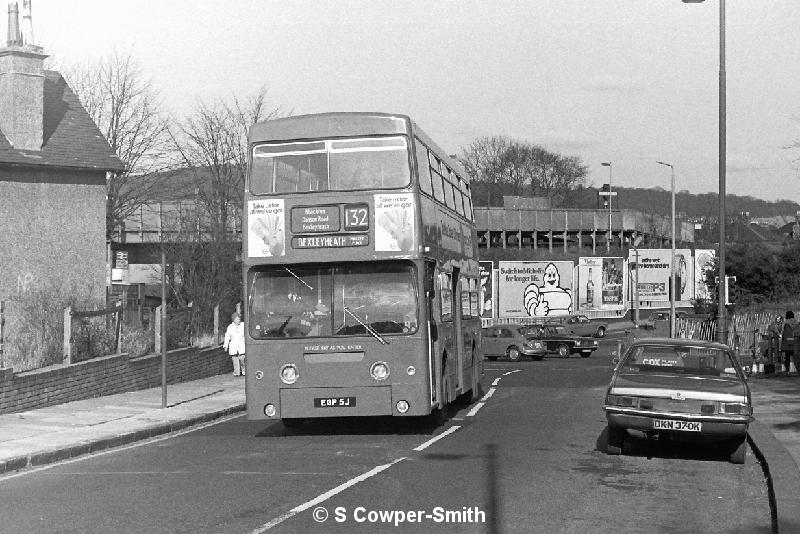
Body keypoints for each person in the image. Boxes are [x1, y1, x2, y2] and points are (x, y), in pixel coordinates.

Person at [224, 312, 246, 376]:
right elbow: (227, 336)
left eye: (239, 319)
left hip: (242, 345)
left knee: (242, 360)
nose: (238, 320)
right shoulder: (230, 327)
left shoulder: (243, 325)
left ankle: (244, 370)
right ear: (233, 320)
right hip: (234, 346)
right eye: (237, 319)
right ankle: (237, 372)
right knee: (235, 361)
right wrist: (226, 346)